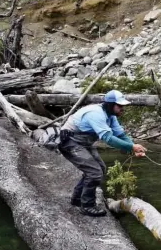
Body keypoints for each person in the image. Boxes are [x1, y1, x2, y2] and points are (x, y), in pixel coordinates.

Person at [59, 89, 146, 217]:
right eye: (120, 106)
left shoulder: (111, 115)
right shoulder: (96, 113)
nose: (123, 108)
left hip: (84, 143)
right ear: (111, 105)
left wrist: (132, 149)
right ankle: (87, 206)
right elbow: (108, 139)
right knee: (94, 173)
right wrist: (132, 147)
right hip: (70, 142)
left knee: (100, 168)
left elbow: (120, 135)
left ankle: (77, 199)